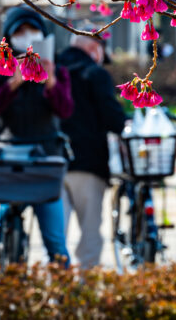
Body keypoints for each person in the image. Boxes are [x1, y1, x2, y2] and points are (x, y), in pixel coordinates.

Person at [0, 6, 73, 267]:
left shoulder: (57, 68)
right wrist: (13, 82)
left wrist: (50, 81)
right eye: (19, 32)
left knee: (55, 238)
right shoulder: (0, 67)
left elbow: (65, 109)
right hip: (8, 151)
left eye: (32, 31)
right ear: (8, 37)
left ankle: (63, 286)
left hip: (44, 155)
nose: (26, 36)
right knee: (10, 197)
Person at [57, 31, 127, 269]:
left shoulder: (48, 70)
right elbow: (113, 119)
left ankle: (54, 288)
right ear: (95, 49)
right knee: (89, 231)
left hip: (51, 162)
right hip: (88, 162)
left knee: (55, 234)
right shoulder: (95, 74)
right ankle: (85, 287)